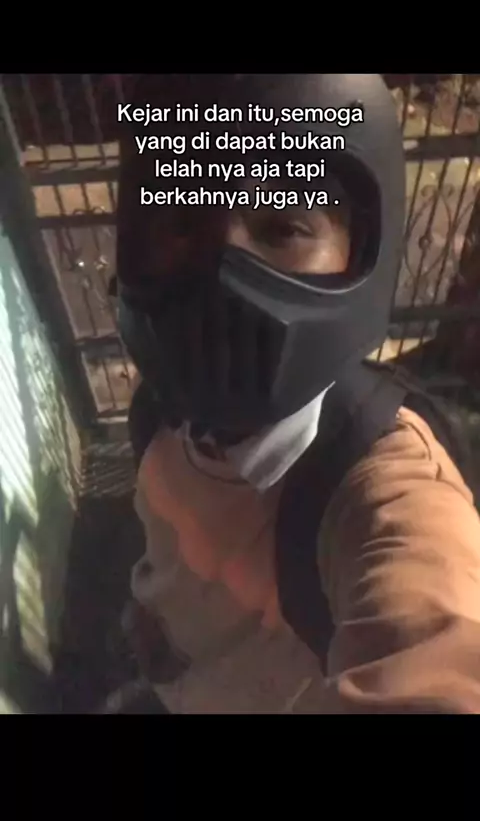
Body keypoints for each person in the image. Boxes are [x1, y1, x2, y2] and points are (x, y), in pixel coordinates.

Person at [115, 73, 480, 714]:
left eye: (282, 226)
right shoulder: (164, 410)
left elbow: (435, 651)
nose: (220, 273)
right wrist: (153, 625)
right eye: (182, 219)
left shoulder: (381, 492)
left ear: (362, 252)